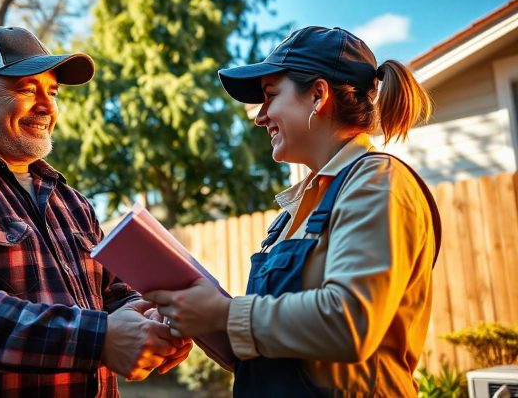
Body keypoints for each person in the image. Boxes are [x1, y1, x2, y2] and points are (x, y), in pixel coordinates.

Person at [0, 26, 191, 397]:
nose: (47, 105)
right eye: (27, 89)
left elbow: (113, 294)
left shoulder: (70, 201)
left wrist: (151, 319)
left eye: (53, 92)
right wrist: (100, 338)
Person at [145, 26, 440, 397]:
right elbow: (269, 351)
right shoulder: (293, 212)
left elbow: (350, 322)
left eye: (270, 96)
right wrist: (193, 315)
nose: (259, 116)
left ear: (318, 94)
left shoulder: (378, 182)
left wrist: (224, 313)